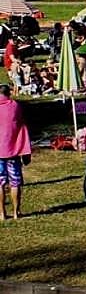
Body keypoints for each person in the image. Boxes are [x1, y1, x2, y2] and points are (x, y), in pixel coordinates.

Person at [0, 84, 32, 220]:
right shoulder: (15, 106)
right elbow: (21, 125)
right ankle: (16, 212)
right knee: (15, 182)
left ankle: (2, 213)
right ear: (9, 93)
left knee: (0, 182)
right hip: (13, 149)